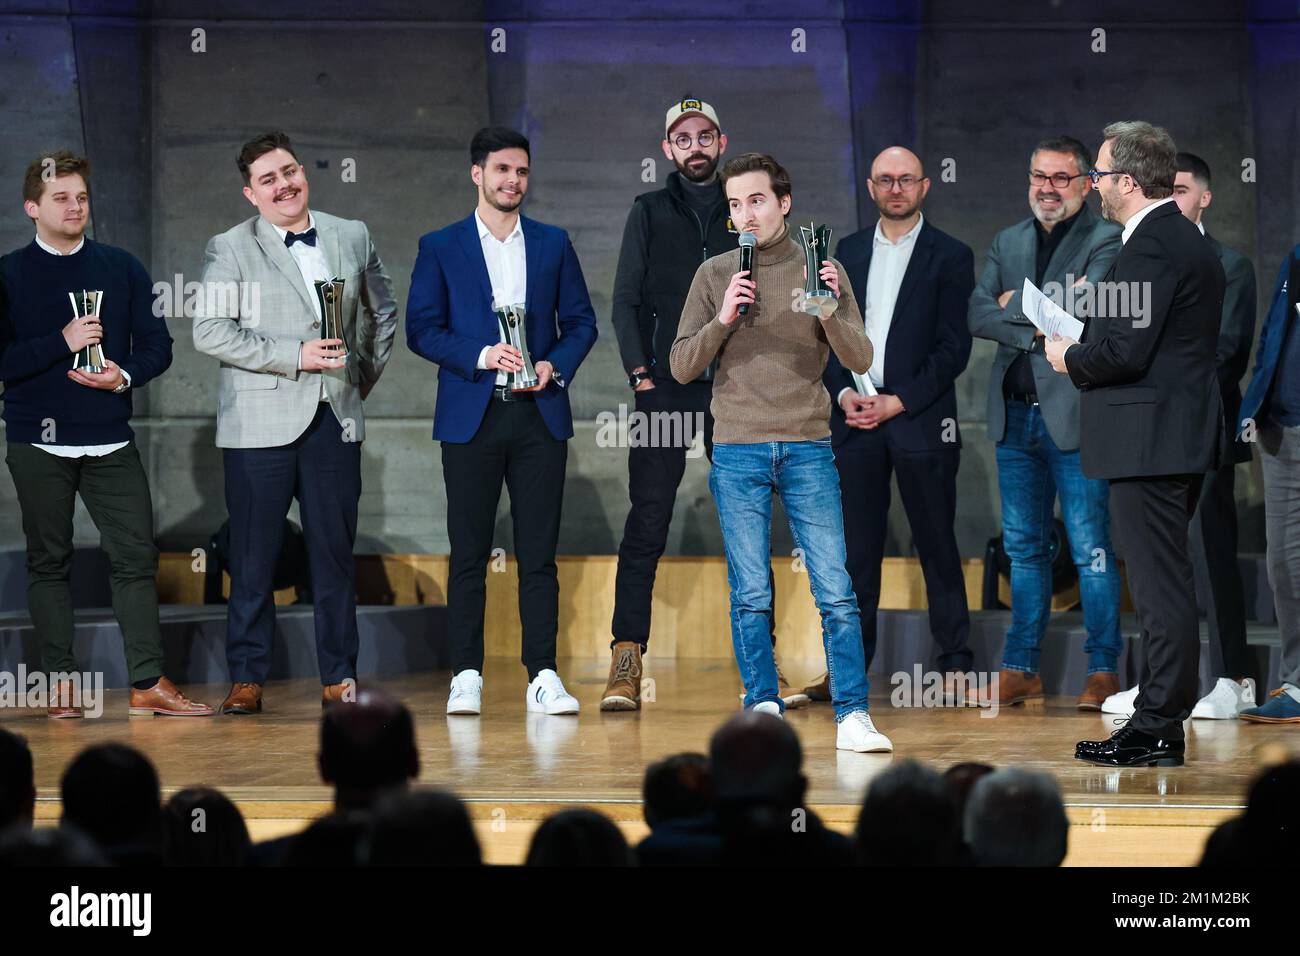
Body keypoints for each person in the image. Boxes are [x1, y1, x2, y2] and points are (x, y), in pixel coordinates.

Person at [670, 152, 890, 752]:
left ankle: (852, 713)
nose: (745, 214)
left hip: (808, 445)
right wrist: (722, 320)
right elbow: (682, 365)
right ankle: (762, 703)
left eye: (757, 201)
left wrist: (828, 307)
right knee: (751, 590)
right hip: (738, 449)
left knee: (835, 587)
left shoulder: (823, 267)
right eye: (735, 204)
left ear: (784, 203)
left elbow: (860, 359)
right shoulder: (715, 273)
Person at [605, 97, 803, 711]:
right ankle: (626, 657)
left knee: (747, 527)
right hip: (666, 386)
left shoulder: (744, 209)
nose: (695, 146)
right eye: (682, 138)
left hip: (734, 388)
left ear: (721, 141)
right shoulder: (648, 211)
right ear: (668, 149)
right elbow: (626, 301)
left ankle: (761, 669)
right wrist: (641, 374)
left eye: (705, 135)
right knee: (648, 518)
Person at [0, 150, 211, 718]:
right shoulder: (9, 273)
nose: (75, 207)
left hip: (110, 439)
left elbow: (157, 346)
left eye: (82, 197)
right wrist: (61, 341)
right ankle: (62, 686)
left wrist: (123, 375)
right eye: (61, 198)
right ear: (32, 208)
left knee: (136, 558)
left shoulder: (121, 267)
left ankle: (148, 682)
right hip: (37, 440)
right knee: (50, 560)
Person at [194, 130, 398, 715]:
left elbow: (383, 311)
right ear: (250, 194)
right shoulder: (229, 247)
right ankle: (247, 677)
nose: (284, 185)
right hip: (259, 426)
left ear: (303, 171)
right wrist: (296, 356)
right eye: (269, 180)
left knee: (333, 554)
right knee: (254, 558)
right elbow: (210, 331)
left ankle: (339, 674)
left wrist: (358, 378)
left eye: (289, 171)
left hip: (334, 418)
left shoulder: (350, 233)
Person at [1046, 121, 1225, 767]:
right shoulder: (1175, 238)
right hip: (1167, 436)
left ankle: (1157, 725)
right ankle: (1159, 721)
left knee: (1158, 588)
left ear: (1126, 181)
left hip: (1152, 439)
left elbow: (1126, 352)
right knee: (1163, 582)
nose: (1091, 186)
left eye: (1096, 174)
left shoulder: (1151, 245)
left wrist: (1071, 354)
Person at [407, 127, 598, 717]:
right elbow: (422, 329)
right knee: (468, 551)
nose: (512, 181)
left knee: (537, 553)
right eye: (502, 171)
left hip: (539, 415)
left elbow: (583, 323)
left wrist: (553, 366)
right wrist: (481, 354)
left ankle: (543, 674)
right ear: (477, 174)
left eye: (521, 172)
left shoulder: (552, 242)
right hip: (472, 414)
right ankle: (466, 674)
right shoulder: (440, 245)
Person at [811, 146, 975, 704]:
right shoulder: (847, 252)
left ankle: (954, 666)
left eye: (906, 180)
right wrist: (840, 393)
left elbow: (954, 349)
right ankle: (848, 671)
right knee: (855, 552)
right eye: (886, 180)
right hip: (854, 420)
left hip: (920, 420)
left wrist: (898, 401)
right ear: (871, 186)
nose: (896, 188)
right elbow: (825, 333)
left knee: (937, 544)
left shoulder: (951, 255)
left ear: (925, 186)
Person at [967, 135, 1123, 710]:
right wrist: (1037, 315)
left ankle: (1103, 669)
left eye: (1061, 178)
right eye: (1039, 176)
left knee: (1090, 550)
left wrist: (1016, 304)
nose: (1047, 188)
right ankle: (1020, 668)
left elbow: (1087, 309)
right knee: (1024, 550)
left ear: (1086, 184)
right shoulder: (1008, 239)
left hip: (1075, 416)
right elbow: (976, 311)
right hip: (1014, 419)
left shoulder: (1107, 237)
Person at [1105, 151, 1259, 720]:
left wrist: (1110, 359)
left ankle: (1228, 676)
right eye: (1167, 188)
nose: (1174, 197)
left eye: (1183, 189)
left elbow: (1222, 354)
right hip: (1152, 429)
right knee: (1159, 568)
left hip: (1199, 426)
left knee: (1205, 554)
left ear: (1206, 196)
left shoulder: (1225, 262)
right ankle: (1161, 687)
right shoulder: (1137, 250)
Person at [1236, 239, 1300, 725]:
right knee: (1283, 565)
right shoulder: (1297, 255)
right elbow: (1274, 333)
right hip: (1281, 429)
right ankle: (1297, 682)